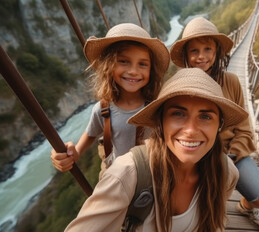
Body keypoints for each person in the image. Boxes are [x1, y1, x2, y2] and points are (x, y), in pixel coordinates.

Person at [64, 68, 247, 232]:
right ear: (160, 123)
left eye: (206, 116)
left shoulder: (226, 172)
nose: (191, 130)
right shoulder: (128, 174)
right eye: (178, 114)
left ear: (219, 126)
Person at [170, 17, 259, 228]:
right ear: (187, 55)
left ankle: (244, 206)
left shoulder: (232, 82)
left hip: (230, 154)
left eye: (207, 49)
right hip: (193, 154)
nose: (201, 57)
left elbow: (243, 126)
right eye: (194, 51)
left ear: (216, 51)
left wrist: (232, 155)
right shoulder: (180, 86)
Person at [51, 23, 170, 178]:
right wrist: (73, 153)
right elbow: (90, 135)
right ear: (108, 65)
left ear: (151, 70)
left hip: (152, 177)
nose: (133, 71)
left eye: (142, 64)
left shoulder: (158, 105)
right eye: (123, 61)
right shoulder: (103, 110)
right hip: (119, 178)